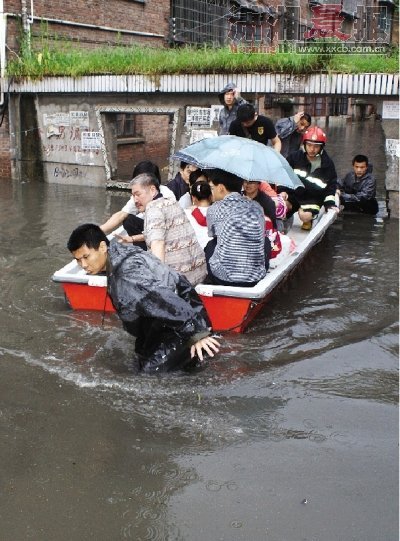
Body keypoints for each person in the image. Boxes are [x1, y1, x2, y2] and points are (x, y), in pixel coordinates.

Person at [67, 224, 219, 373]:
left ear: (102, 247)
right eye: (78, 260)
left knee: (149, 374)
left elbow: (163, 299)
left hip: (184, 317)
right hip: (166, 318)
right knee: (141, 356)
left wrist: (196, 333)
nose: (83, 265)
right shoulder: (117, 252)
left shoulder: (127, 274)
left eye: (86, 257)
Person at [116, 173, 207, 286]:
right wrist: (132, 239)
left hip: (179, 279)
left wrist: (159, 283)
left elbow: (158, 243)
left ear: (152, 190)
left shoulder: (153, 208)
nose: (135, 200)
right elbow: (161, 232)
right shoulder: (171, 202)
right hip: (199, 273)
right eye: (133, 196)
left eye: (138, 194)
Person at [205, 169, 268, 287]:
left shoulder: (214, 209)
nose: (211, 192)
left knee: (211, 245)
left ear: (221, 188)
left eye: (212, 188)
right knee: (266, 241)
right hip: (255, 277)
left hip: (223, 278)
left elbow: (213, 234)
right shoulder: (257, 207)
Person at [279, 126, 339, 230]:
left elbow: (330, 187)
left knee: (304, 216)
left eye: (316, 146)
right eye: (309, 145)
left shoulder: (327, 164)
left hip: (313, 199)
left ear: (321, 147)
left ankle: (309, 218)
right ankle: (284, 221)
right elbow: (283, 175)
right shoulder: (294, 158)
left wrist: (329, 204)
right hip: (294, 194)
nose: (312, 149)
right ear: (304, 144)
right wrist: (282, 191)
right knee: (281, 206)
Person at [100, 160, 175, 238]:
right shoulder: (138, 196)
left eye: (142, 180)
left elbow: (165, 232)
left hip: (166, 233)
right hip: (151, 229)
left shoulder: (166, 196)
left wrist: (133, 239)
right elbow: (121, 214)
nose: (135, 198)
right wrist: (98, 230)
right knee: (129, 220)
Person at [242, 180, 294, 265]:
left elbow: (271, 227)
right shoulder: (238, 197)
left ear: (259, 184)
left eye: (251, 182)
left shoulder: (267, 202)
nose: (247, 185)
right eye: (245, 182)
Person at [184, 180, 213, 249]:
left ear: (193, 198)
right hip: (214, 253)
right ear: (211, 196)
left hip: (194, 254)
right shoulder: (218, 212)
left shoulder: (185, 213)